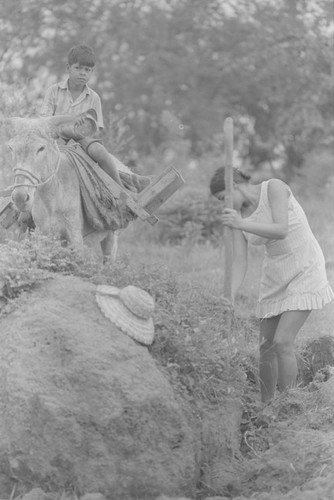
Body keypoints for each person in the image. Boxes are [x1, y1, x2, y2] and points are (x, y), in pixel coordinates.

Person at [210, 167, 334, 403]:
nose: (221, 206)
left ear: (233, 186)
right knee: (266, 346)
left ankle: (292, 406)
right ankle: (266, 406)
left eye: (221, 198)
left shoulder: (274, 188)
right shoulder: (237, 216)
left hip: (304, 266)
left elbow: (281, 230)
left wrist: (240, 224)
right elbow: (239, 261)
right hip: (275, 274)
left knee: (282, 341)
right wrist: (231, 295)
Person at [39, 44, 124, 188]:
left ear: (92, 72)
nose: (82, 73)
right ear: (68, 68)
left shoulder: (94, 97)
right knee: (34, 158)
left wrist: (82, 127)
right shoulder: (54, 91)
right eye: (78, 68)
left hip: (81, 140)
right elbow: (45, 122)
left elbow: (96, 129)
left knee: (99, 151)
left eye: (87, 70)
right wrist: (66, 124)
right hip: (55, 140)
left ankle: (120, 188)